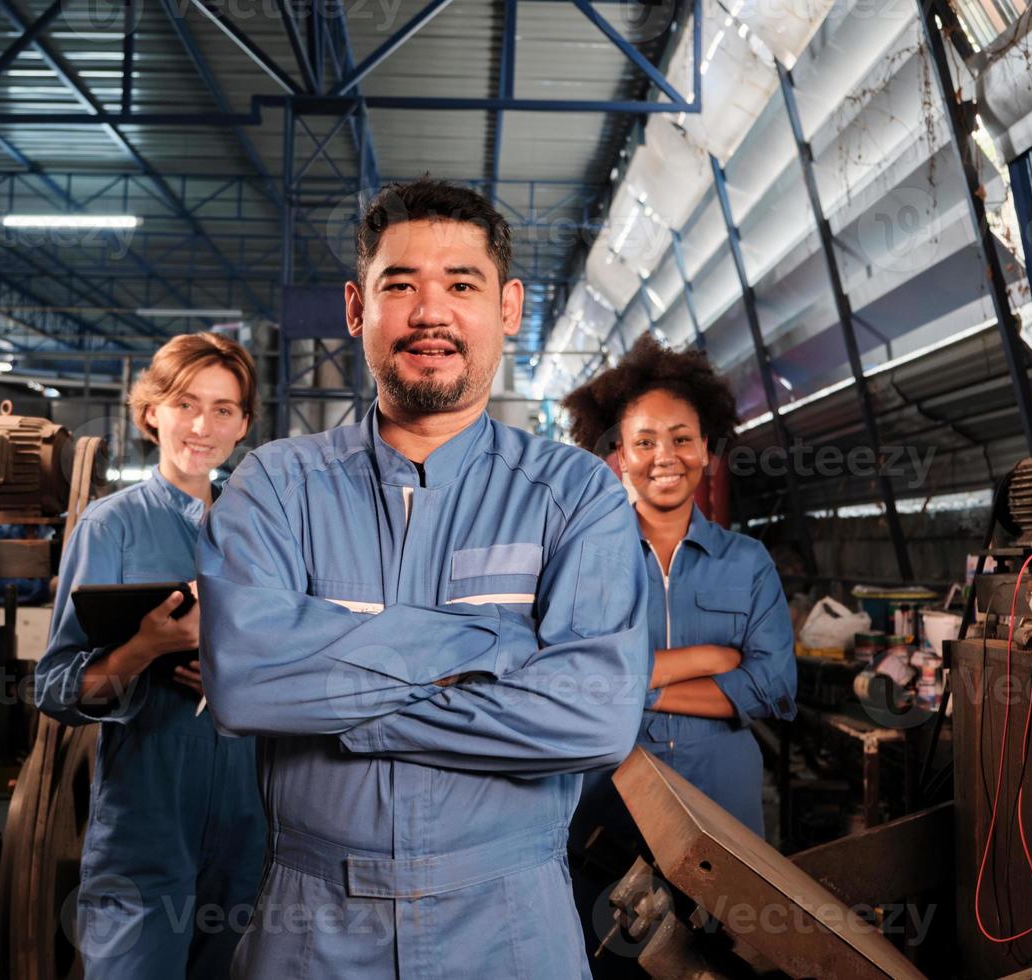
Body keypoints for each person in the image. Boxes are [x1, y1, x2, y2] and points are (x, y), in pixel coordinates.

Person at [197, 178, 650, 978]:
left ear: (508, 307)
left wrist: (336, 703)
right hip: (315, 926)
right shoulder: (274, 486)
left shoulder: (575, 495)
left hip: (509, 924)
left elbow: (593, 720)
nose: (430, 312)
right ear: (355, 308)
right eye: (399, 284)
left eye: (461, 285)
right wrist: (495, 645)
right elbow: (245, 685)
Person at [562, 334, 797, 974]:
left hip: (724, 818)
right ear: (617, 455)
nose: (665, 456)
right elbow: (575, 678)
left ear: (707, 449)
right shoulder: (584, 564)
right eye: (644, 441)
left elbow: (776, 684)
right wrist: (715, 658)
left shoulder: (747, 563)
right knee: (608, 957)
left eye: (682, 438)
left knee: (723, 962)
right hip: (607, 809)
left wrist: (645, 687)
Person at [36, 333, 266, 978]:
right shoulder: (111, 527)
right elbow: (57, 688)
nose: (202, 426)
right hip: (150, 814)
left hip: (252, 815)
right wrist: (147, 646)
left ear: (243, 424)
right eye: (186, 404)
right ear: (151, 412)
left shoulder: (261, 534)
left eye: (224, 409)